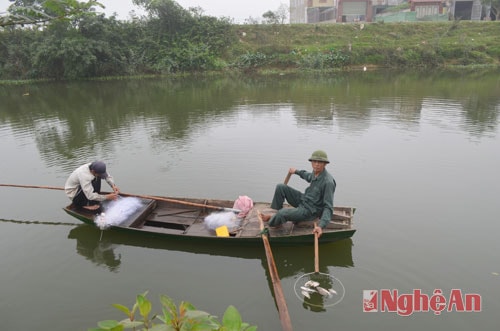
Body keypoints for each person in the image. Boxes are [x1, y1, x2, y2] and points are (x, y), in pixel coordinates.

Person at [260, 150, 335, 238]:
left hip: (310, 211)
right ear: (311, 162)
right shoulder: (316, 173)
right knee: (281, 187)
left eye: (320, 162)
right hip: (304, 199)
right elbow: (307, 176)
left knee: (282, 213)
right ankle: (276, 215)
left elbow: (328, 207)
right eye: (314, 161)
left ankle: (273, 221)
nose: (317, 164)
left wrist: (321, 226)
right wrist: (296, 171)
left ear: (325, 164)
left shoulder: (328, 182)